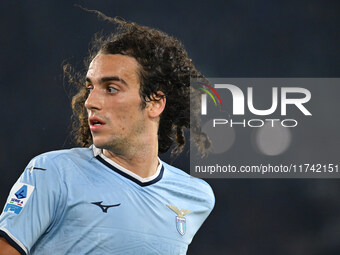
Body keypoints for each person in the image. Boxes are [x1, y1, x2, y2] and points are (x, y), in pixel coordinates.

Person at [0, 15, 214, 255]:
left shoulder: (195, 197)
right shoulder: (52, 173)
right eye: (90, 87)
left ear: (155, 103)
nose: (90, 101)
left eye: (111, 89)